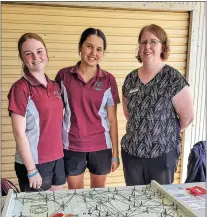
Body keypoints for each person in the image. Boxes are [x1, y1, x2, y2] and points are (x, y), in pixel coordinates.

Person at [121, 24, 194, 186]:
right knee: (135, 201)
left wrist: (163, 132)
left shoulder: (173, 78)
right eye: (143, 42)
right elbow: (128, 114)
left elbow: (187, 118)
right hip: (132, 154)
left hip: (162, 155)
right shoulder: (130, 79)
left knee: (159, 202)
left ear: (163, 47)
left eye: (153, 41)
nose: (147, 47)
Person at [55, 27, 120, 189]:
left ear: (103, 53)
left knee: (97, 197)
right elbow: (55, 114)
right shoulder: (63, 76)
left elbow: (112, 119)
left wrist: (115, 154)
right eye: (89, 46)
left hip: (101, 147)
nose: (93, 53)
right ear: (80, 47)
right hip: (72, 146)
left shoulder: (108, 80)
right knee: (75, 196)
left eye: (99, 49)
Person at [8, 33, 66, 192]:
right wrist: (31, 170)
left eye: (39, 51)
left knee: (57, 208)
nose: (36, 57)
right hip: (34, 163)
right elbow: (19, 133)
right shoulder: (20, 89)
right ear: (22, 58)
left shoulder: (55, 86)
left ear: (46, 53)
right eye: (28, 53)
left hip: (57, 158)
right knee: (39, 214)